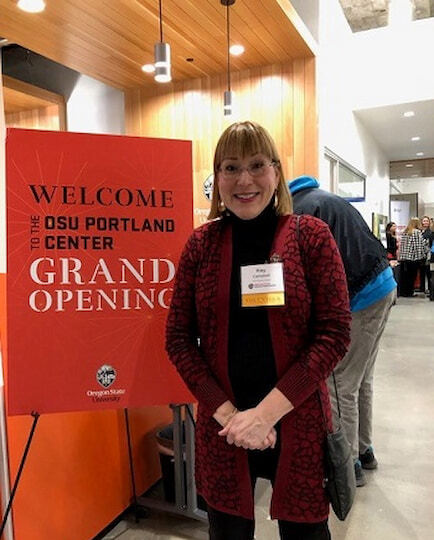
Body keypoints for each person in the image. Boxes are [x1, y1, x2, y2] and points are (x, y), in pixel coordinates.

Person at [166, 122, 351, 540]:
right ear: (217, 178)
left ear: (277, 171)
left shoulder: (311, 237)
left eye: (256, 165)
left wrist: (263, 416)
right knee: (227, 529)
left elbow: (335, 332)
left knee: (306, 531)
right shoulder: (201, 245)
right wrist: (231, 417)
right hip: (224, 426)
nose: (244, 180)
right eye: (231, 168)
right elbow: (178, 338)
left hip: (298, 418)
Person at [288, 175, 397, 488]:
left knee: (338, 382)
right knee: (362, 379)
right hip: (383, 287)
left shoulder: (300, 211)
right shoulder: (327, 199)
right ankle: (365, 451)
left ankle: (347, 466)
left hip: (361, 296)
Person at [398, 217, 428, 297]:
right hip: (413, 258)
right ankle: (409, 292)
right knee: (412, 276)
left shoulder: (405, 231)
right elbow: (418, 246)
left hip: (404, 258)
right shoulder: (417, 232)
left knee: (405, 276)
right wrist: (421, 257)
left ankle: (403, 292)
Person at [419, 216, 433, 293]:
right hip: (420, 255)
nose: (425, 222)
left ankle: (430, 289)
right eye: (424, 221)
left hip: (428, 254)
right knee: (421, 272)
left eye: (427, 221)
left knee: (428, 272)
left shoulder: (430, 232)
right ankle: (422, 288)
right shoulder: (419, 231)